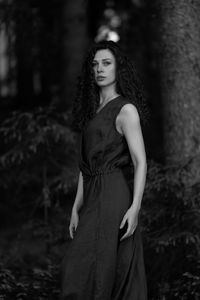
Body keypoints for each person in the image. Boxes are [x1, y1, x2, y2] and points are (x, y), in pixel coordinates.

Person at [60, 40, 148, 300]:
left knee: (91, 266)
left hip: (113, 194)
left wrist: (135, 207)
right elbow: (85, 167)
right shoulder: (92, 111)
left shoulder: (126, 110)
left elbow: (140, 161)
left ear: (118, 68)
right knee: (88, 266)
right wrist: (76, 208)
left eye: (106, 63)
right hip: (92, 194)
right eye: (95, 64)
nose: (99, 69)